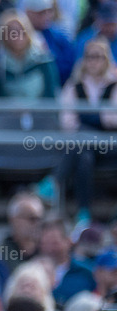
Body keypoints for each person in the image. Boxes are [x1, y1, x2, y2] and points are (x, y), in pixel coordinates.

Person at [60, 37, 117, 218]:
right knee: (84, 156)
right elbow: (67, 122)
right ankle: (84, 211)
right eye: (90, 57)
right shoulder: (74, 86)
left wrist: (90, 119)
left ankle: (54, 181)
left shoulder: (114, 85)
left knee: (83, 135)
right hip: (85, 147)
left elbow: (113, 120)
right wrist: (98, 119)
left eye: (98, 57)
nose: (94, 61)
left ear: (106, 59)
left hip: (111, 146)